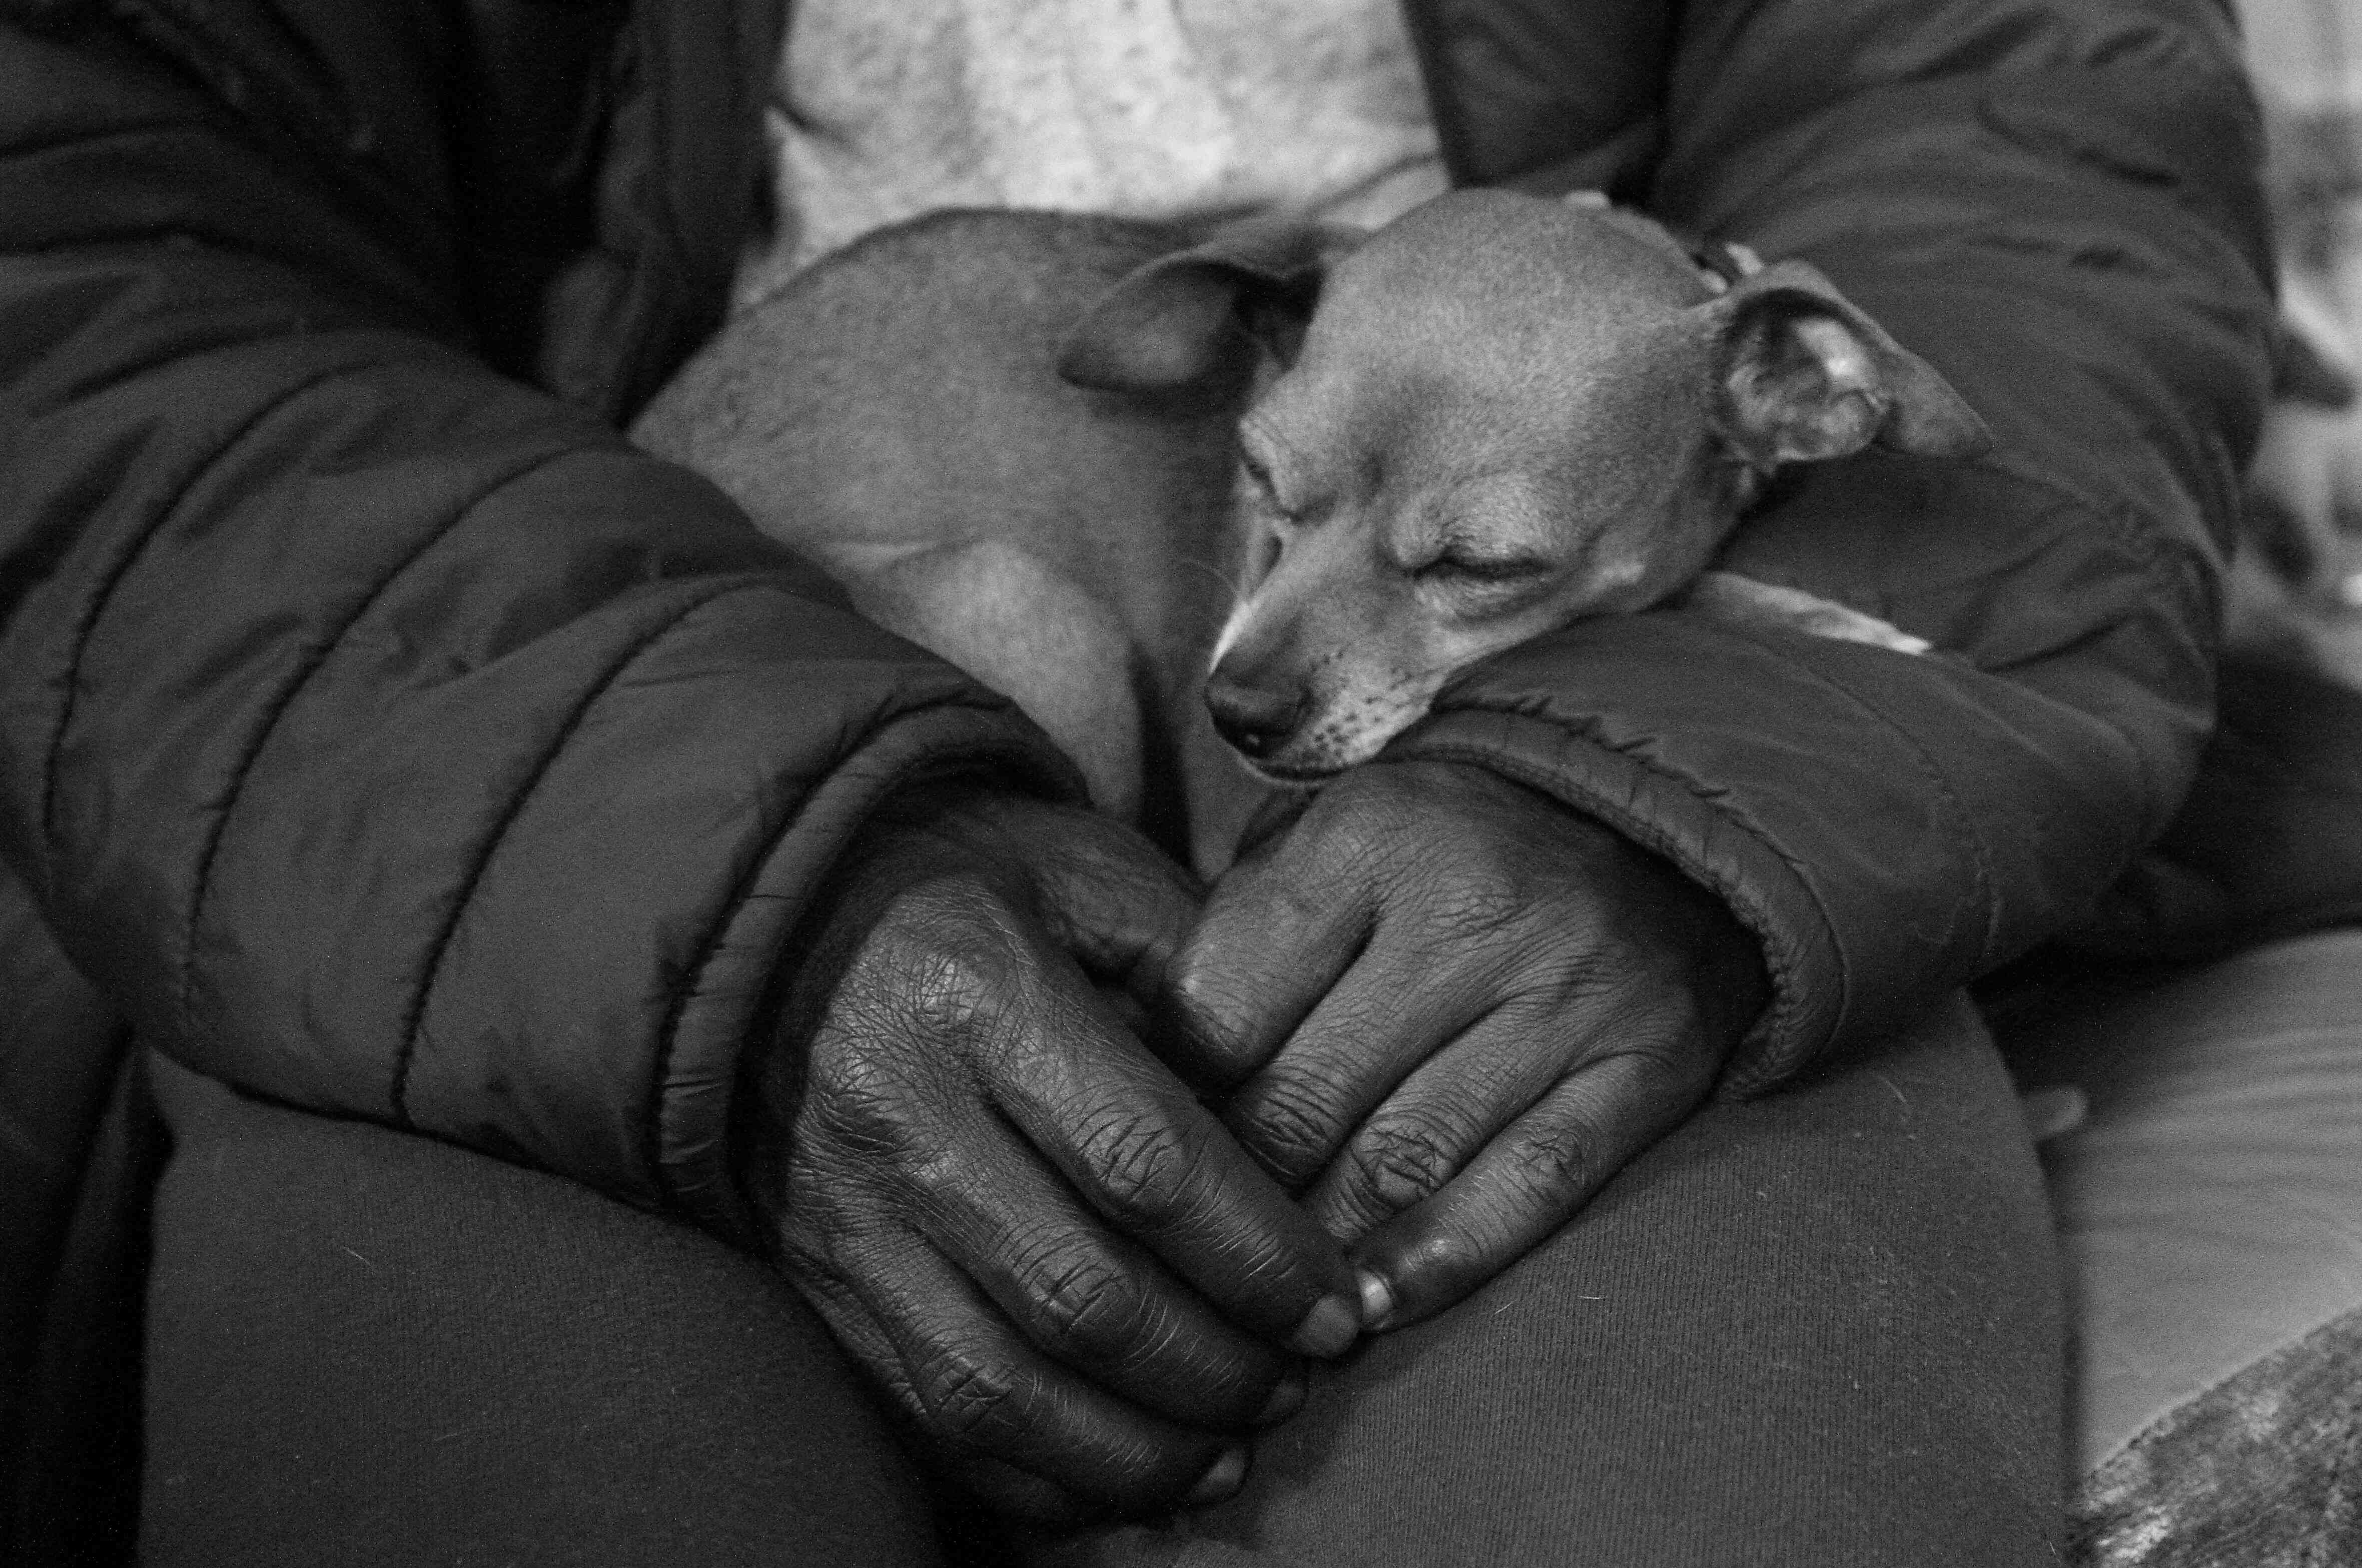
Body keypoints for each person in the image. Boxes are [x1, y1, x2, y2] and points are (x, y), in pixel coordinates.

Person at [0, 0, 2277, 1563]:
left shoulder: (1708, 392)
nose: (1272, 659)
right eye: (1277, 517)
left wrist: (1665, 770)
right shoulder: (1151, 488)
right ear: (1253, 364)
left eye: (1460, 568)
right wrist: (731, 867)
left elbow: (2019, 166)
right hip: (484, 743)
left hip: (1603, 780)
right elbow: (79, 297)